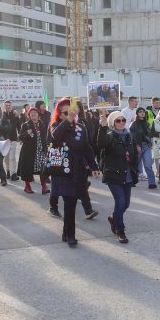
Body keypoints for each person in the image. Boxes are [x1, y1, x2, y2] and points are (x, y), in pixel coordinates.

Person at [50, 100, 101, 247]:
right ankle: (71, 235)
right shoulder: (56, 126)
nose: (71, 115)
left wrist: (94, 166)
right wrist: (68, 121)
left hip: (78, 170)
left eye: (72, 112)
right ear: (60, 115)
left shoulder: (81, 127)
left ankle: (66, 233)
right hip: (63, 169)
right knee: (69, 202)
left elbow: (87, 148)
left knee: (71, 202)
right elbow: (54, 137)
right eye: (66, 113)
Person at [98, 110, 140, 244]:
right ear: (112, 122)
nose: (121, 123)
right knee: (120, 202)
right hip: (113, 174)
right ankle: (120, 230)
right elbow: (101, 144)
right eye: (118, 120)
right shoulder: (109, 136)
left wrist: (135, 169)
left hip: (127, 174)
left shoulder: (129, 135)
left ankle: (114, 217)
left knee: (126, 203)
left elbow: (133, 155)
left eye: (123, 120)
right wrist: (102, 127)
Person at [18, 107, 50, 194]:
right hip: (29, 151)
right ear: (29, 115)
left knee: (43, 168)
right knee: (28, 169)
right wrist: (26, 133)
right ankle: (27, 186)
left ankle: (44, 186)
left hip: (40, 150)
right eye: (31, 114)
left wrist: (47, 146)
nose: (34, 115)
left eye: (35, 114)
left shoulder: (42, 124)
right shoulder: (26, 125)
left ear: (38, 115)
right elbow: (20, 137)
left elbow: (46, 136)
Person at [130, 107, 158, 189]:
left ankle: (152, 183)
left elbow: (151, 133)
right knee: (135, 164)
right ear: (137, 114)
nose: (142, 113)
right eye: (140, 112)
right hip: (138, 146)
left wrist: (158, 134)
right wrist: (137, 145)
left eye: (143, 112)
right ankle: (132, 180)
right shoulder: (134, 124)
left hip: (147, 146)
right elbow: (132, 136)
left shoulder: (147, 123)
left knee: (148, 165)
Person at [3, 100, 22, 181]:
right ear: (4, 106)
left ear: (11, 106)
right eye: (6, 105)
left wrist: (20, 136)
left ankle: (13, 174)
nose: (8, 107)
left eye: (9, 105)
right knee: (6, 158)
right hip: (4, 140)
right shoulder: (2, 115)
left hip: (13, 139)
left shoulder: (15, 115)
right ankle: (8, 171)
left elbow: (19, 126)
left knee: (12, 157)